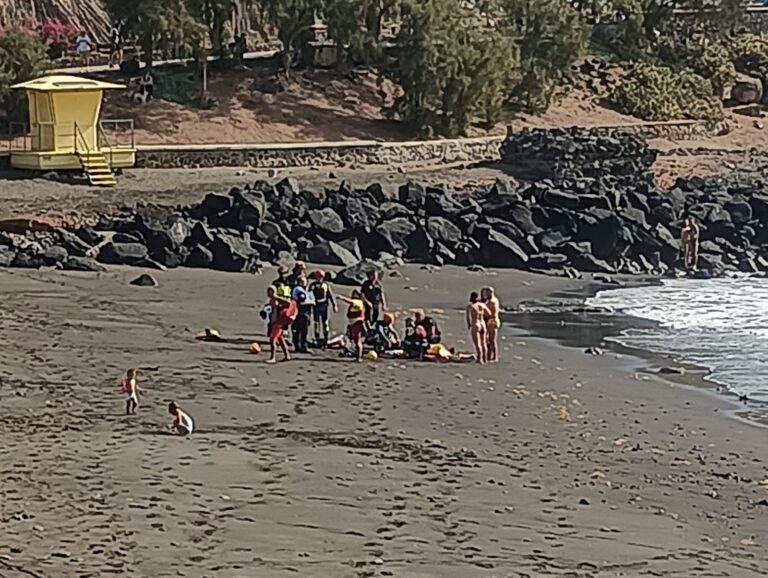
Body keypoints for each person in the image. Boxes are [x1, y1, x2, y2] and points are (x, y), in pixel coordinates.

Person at [266, 285, 297, 363]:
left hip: (278, 322)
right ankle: (287, 355)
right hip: (274, 322)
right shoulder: (271, 300)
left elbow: (288, 303)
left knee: (272, 339)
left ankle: (273, 357)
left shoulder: (277, 299)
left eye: (270, 291)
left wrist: (276, 297)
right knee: (281, 339)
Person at [309, 269, 337, 347]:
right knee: (317, 323)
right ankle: (317, 338)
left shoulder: (326, 285)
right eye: (318, 277)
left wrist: (334, 305)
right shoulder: (313, 285)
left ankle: (325, 339)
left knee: (325, 323)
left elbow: (330, 295)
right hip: (316, 306)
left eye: (321, 277)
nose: (319, 279)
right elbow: (310, 294)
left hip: (324, 306)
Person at [337, 290, 367, 362]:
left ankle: (359, 357)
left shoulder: (359, 302)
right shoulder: (356, 304)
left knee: (358, 341)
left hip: (357, 323)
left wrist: (342, 298)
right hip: (353, 324)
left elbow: (351, 301)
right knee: (355, 340)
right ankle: (357, 356)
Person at [291, 275, 314, 353]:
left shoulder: (300, 289)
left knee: (299, 330)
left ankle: (299, 346)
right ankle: (301, 347)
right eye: (304, 281)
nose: (306, 283)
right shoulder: (299, 290)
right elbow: (301, 301)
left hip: (300, 313)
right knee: (301, 330)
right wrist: (311, 302)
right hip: (302, 313)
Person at [466, 292, 491, 364]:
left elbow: (468, 318)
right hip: (482, 323)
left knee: (477, 343)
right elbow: (489, 314)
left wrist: (469, 325)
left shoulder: (470, 306)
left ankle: (480, 359)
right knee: (484, 343)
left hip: (475, 323)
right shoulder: (482, 305)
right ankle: (485, 358)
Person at [481, 286, 501, 363]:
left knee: (492, 340)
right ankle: (490, 356)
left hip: (492, 321)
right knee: (490, 340)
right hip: (495, 320)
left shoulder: (491, 301)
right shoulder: (495, 300)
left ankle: (494, 357)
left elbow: (487, 311)